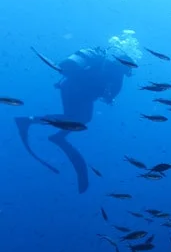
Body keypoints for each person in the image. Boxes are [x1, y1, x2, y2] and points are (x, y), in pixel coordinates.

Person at [14, 30, 141, 193]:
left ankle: (56, 135)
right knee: (75, 119)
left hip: (77, 91)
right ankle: (30, 121)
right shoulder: (114, 71)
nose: (127, 73)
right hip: (75, 90)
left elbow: (106, 92)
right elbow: (109, 95)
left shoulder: (112, 69)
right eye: (128, 70)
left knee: (84, 120)